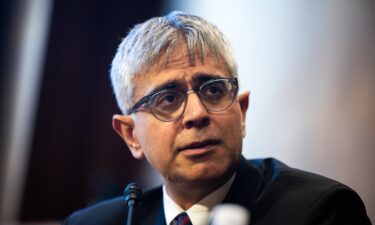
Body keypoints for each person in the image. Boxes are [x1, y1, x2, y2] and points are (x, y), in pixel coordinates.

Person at [62, 11, 371, 225]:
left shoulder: (319, 212)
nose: (197, 115)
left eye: (212, 91)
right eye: (168, 99)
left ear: (242, 112)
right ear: (130, 135)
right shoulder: (93, 222)